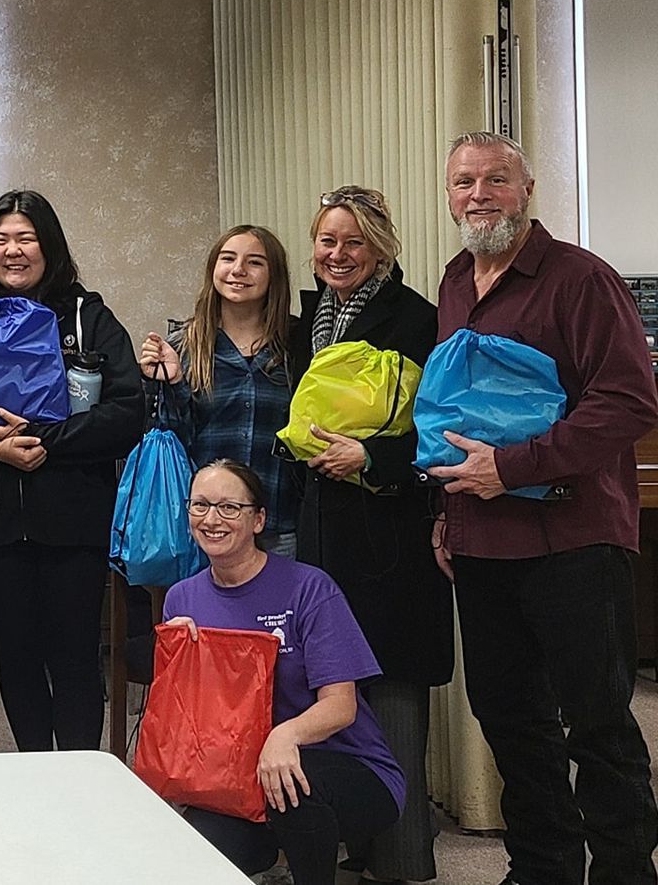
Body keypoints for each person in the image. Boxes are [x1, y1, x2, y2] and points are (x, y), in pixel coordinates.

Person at [427, 131, 658, 885]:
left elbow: (628, 400)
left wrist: (514, 465)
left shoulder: (581, 278)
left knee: (599, 725)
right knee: (512, 723)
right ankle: (542, 868)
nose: (479, 195)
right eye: (465, 182)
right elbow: (454, 408)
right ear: (450, 194)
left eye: (497, 180)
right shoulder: (456, 280)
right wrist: (447, 511)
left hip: (575, 539)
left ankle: (624, 871)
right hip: (482, 541)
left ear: (527, 192)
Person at [0, 190, 142, 752]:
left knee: (74, 655)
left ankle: (85, 779)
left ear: (50, 245)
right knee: (16, 656)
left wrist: (48, 441)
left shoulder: (89, 318)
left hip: (74, 519)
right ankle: (34, 771)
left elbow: (128, 411)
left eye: (26, 238)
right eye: (0, 239)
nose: (13, 251)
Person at [279, 186, 451, 881]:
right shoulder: (303, 324)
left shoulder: (418, 320)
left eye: (353, 241)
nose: (338, 254)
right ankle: (352, 841)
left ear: (381, 246)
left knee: (398, 696)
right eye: (327, 241)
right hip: (321, 534)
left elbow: (440, 431)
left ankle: (406, 859)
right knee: (333, 692)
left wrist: (372, 458)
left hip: (393, 533)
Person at [163, 460, 403, 885]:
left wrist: (284, 735)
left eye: (229, 508)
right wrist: (178, 658)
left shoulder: (309, 587)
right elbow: (188, 717)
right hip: (238, 773)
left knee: (291, 783)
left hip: (344, 763)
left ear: (258, 520)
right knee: (192, 845)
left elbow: (341, 706)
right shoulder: (182, 598)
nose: (212, 519)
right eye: (200, 506)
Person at [137, 226, 301, 556]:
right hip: (205, 524)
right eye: (228, 258)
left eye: (254, 262)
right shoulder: (183, 346)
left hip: (278, 521)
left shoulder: (297, 343)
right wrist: (172, 383)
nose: (238, 270)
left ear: (274, 276)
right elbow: (170, 444)